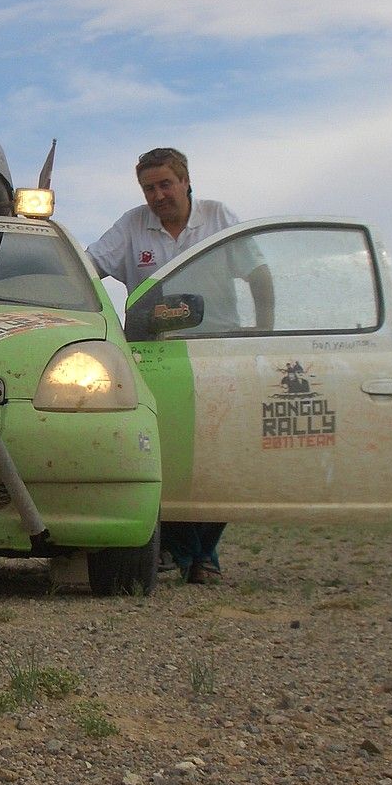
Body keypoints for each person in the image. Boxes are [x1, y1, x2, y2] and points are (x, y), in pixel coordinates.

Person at [85, 147, 273, 585]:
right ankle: (189, 553)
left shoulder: (218, 217)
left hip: (217, 350)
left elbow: (260, 274)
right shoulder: (132, 225)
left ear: (186, 180)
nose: (158, 195)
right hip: (154, 354)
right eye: (149, 187)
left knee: (220, 451)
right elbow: (90, 266)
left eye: (165, 184)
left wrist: (264, 333)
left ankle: (200, 551)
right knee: (162, 451)